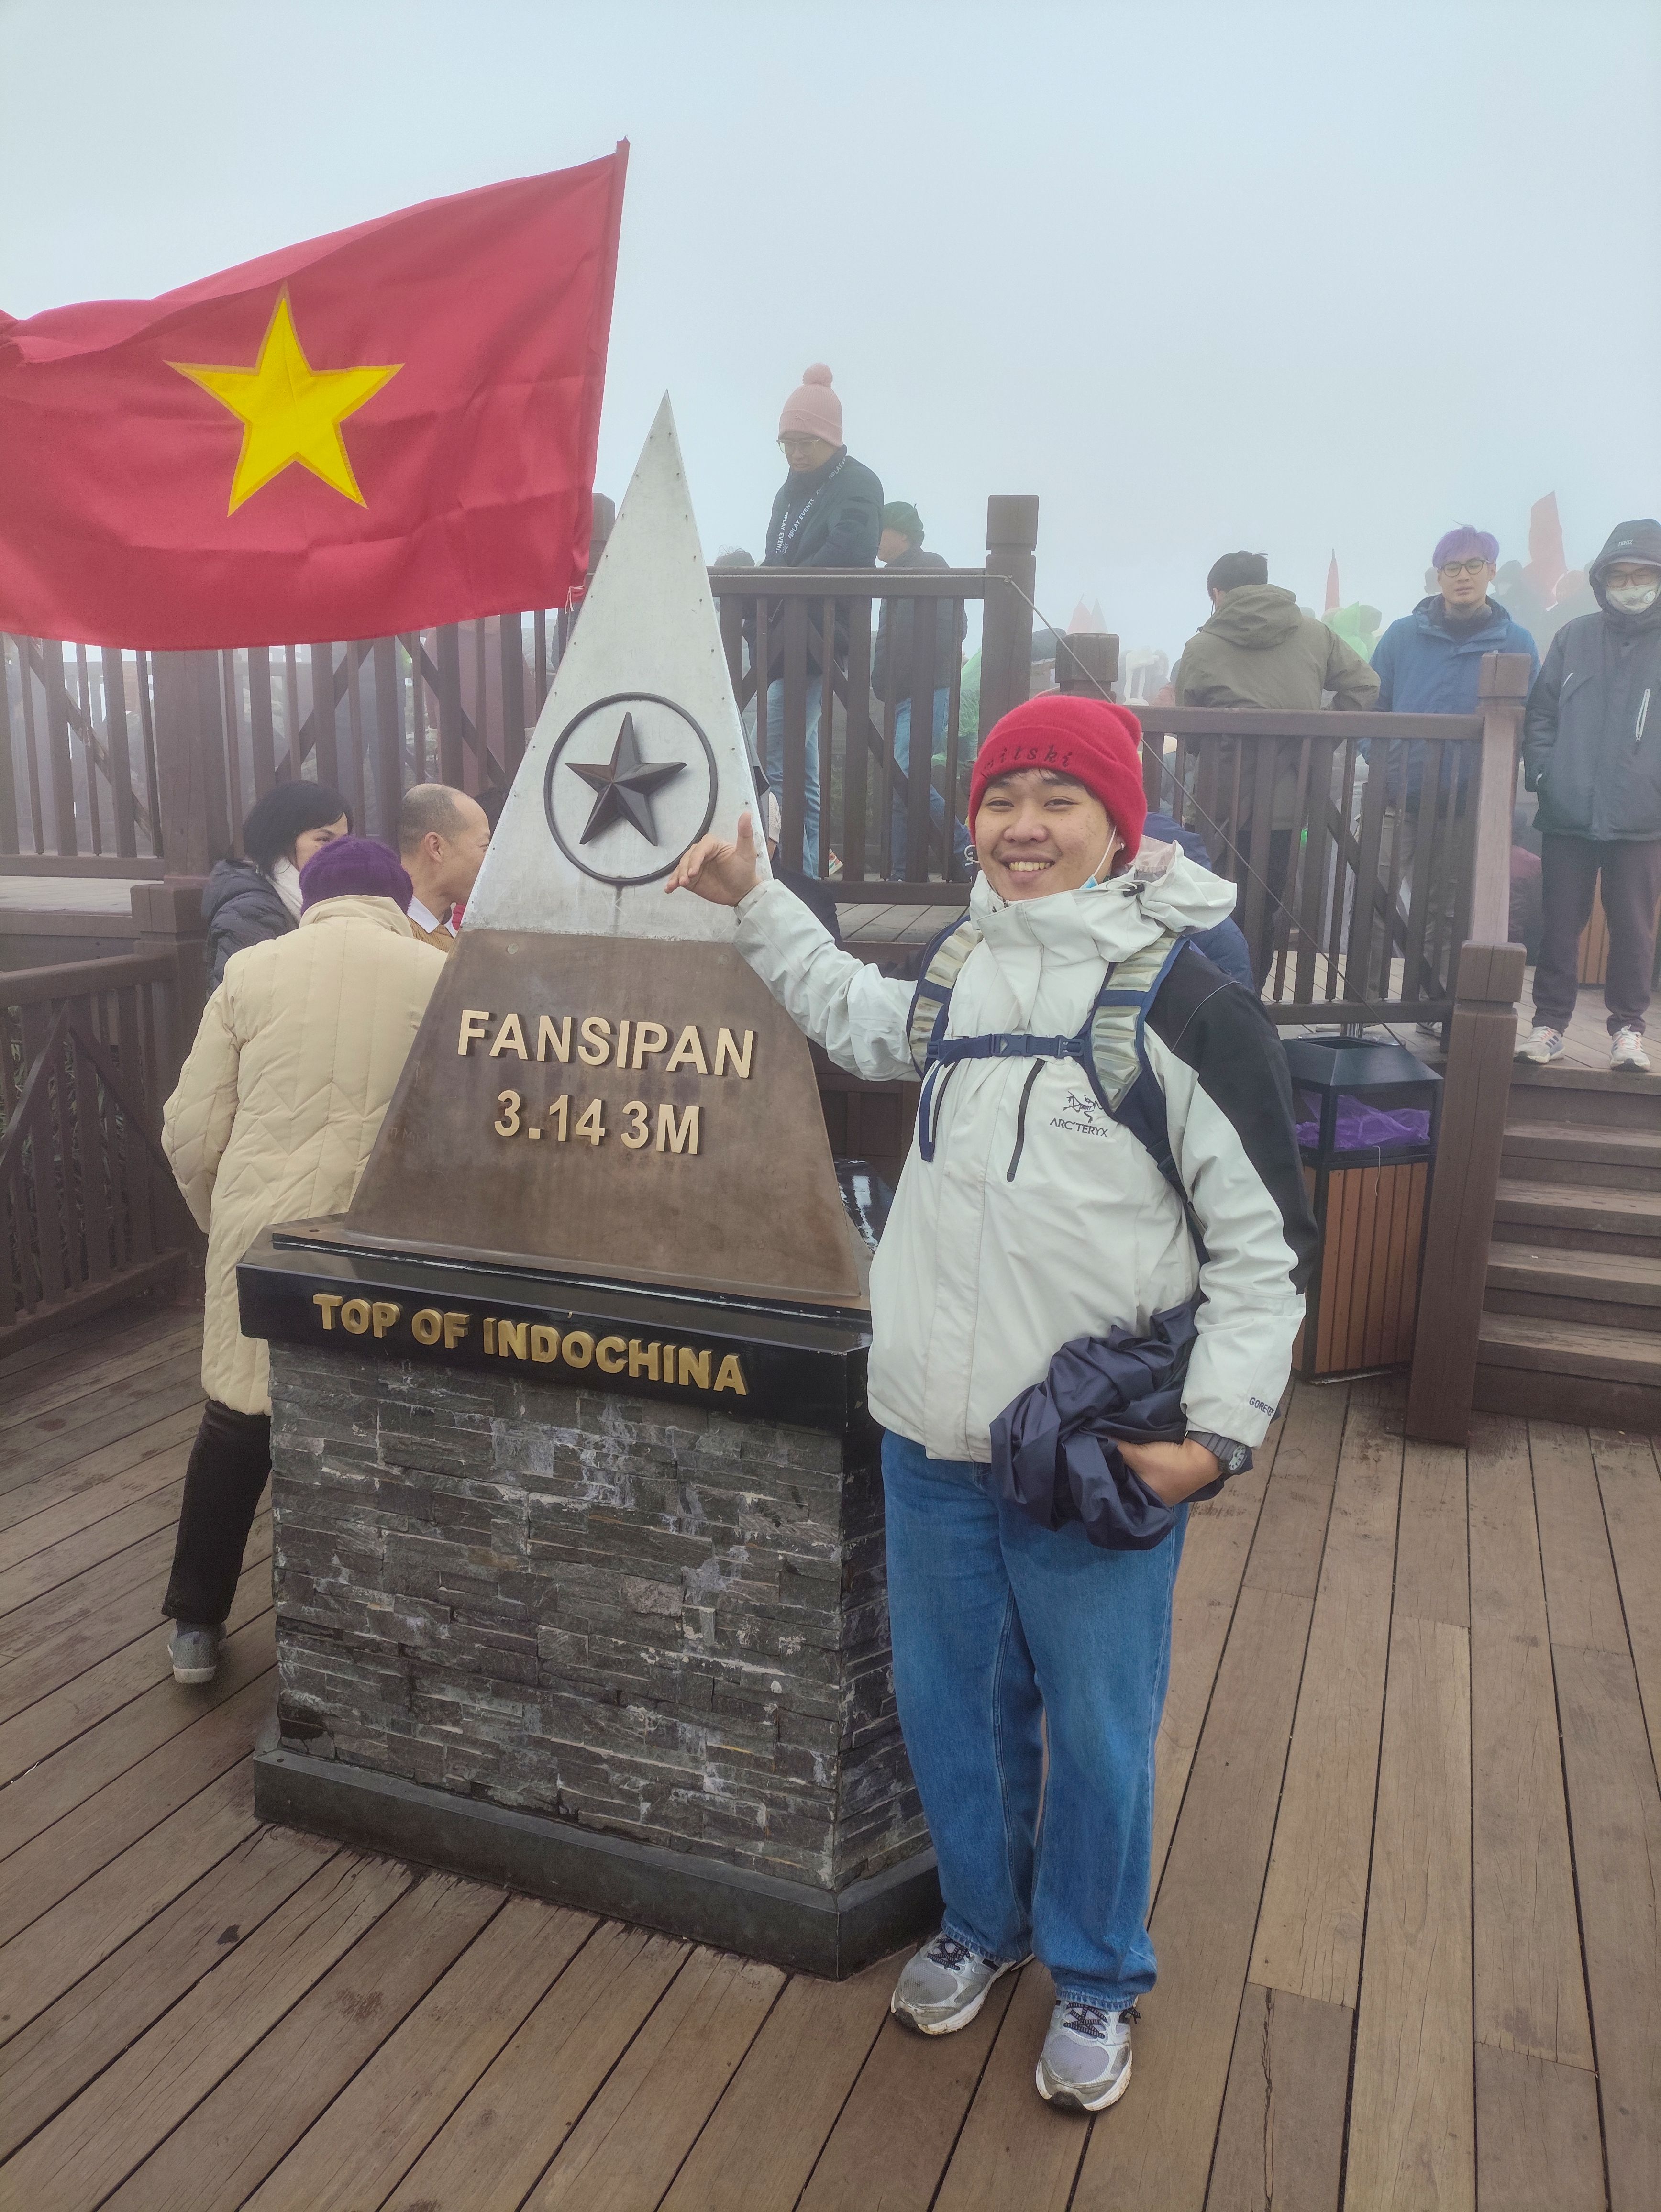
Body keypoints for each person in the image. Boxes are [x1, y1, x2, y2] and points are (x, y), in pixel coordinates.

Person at [666, 693, 1314, 2114]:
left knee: (1091, 1725)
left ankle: (1091, 1973)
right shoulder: (959, 972)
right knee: (948, 1706)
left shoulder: (1187, 1001)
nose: (1021, 825)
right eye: (999, 797)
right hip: (928, 1437)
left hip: (1093, 1451)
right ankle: (982, 1918)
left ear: (1115, 821)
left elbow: (1261, 1248)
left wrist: (1209, 1441)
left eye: (1056, 798)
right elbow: (849, 1013)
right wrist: (753, 897)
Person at [159, 838, 448, 1684]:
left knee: (239, 1419)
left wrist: (223, 1217)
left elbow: (191, 1126)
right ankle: (365, 1628)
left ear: (310, 895)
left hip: (262, 1227)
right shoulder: (439, 975)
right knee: (374, 1425)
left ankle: (195, 1626)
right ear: (395, 897)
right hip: (388, 1238)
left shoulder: (251, 971)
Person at [1173, 553, 1378, 981]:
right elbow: (1364, 685)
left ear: (1217, 593)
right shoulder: (1315, 634)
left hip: (1218, 805)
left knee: (1204, 907)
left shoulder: (1201, 646)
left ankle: (1208, 1004)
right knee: (1263, 909)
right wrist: (1314, 742)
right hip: (1288, 806)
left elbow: (1190, 733)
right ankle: (1251, 1000)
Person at [1367, 528, 1539, 1002]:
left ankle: (1432, 1008)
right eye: (1451, 568)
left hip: (1466, 805)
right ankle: (1358, 1010)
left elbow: (1533, 718)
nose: (1461, 576)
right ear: (1436, 575)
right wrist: (1376, 761)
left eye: (1472, 565)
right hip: (1395, 798)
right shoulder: (1402, 635)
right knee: (1372, 903)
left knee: (1444, 914)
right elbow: (1371, 705)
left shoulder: (1516, 640)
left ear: (1491, 571)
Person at [1519, 518, 1661, 1071]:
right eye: (1620, 575)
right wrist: (1545, 775)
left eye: (1643, 574)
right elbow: (1541, 713)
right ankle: (1547, 1026)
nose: (1631, 585)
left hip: (1641, 818)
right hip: (1567, 812)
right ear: (1602, 581)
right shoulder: (1572, 636)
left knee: (1633, 928)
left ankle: (1628, 1030)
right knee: (1558, 924)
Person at [755, 365, 883, 874]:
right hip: (788, 634)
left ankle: (789, 873)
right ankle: (804, 870)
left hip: (824, 635)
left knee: (776, 753)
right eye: (786, 442)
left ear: (831, 438)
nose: (796, 453)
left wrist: (783, 588)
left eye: (805, 441)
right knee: (798, 761)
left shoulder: (858, 483)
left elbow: (848, 551)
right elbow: (773, 557)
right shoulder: (789, 490)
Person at [872, 501, 970, 874]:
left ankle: (964, 847)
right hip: (905, 694)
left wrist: (909, 678)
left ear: (903, 534)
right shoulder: (896, 574)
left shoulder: (930, 567)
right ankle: (900, 873)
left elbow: (951, 631)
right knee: (901, 786)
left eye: (882, 531)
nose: (876, 540)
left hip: (926, 691)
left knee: (907, 779)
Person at [199, 783, 352, 987]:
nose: (341, 851)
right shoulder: (251, 914)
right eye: (324, 839)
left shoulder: (339, 900)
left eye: (345, 841)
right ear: (282, 840)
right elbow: (242, 1004)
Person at [396, 782, 492, 949]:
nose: (491, 862)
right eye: (484, 847)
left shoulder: (446, 931)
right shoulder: (393, 936)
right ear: (437, 848)